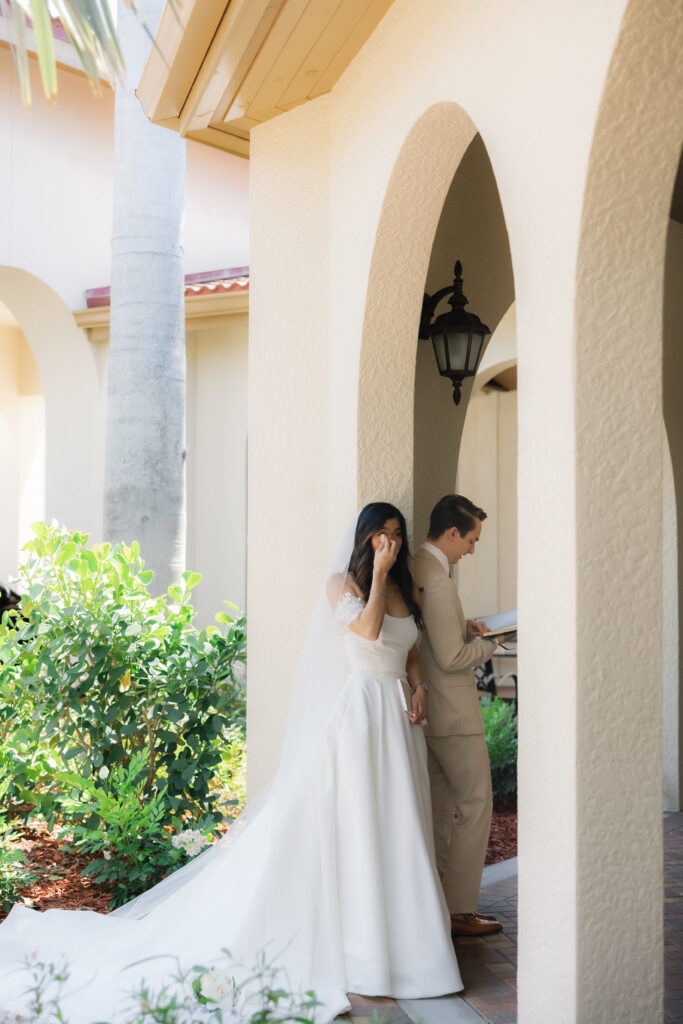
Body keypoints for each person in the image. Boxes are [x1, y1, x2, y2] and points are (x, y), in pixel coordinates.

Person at [0, 502, 462, 1022]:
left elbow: (409, 644)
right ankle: (365, 954)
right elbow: (370, 633)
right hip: (359, 718)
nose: (391, 543)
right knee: (360, 828)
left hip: (397, 719)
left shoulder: (405, 588)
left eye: (397, 535)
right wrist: (377, 575)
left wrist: (419, 685)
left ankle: (408, 951)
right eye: (382, 534)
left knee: (398, 829)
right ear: (365, 537)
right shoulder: (345, 585)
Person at [413, 494, 505, 938]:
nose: (471, 550)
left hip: (428, 713)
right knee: (475, 805)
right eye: (470, 540)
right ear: (452, 533)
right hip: (454, 714)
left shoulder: (417, 568)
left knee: (439, 810)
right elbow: (451, 658)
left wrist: (463, 627)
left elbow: (434, 639)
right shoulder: (442, 581)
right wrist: (495, 642)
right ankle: (460, 911)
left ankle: (437, 905)